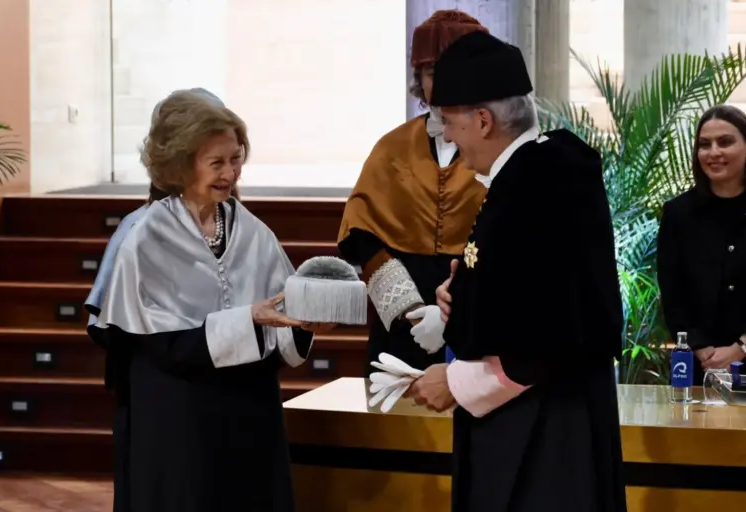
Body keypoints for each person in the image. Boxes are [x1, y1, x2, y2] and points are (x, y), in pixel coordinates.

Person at [405, 31, 627, 511]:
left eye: (447, 121)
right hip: (546, 415)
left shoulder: (534, 186)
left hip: (542, 427)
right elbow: (531, 293)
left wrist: (456, 381)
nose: (445, 135)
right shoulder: (541, 168)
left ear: (482, 120)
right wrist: (463, 297)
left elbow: (553, 334)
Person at [93, 90, 333, 512]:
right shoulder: (145, 237)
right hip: (180, 420)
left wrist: (304, 325)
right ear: (182, 163)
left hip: (248, 415)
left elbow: (278, 322)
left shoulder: (254, 231)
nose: (230, 173)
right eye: (216, 163)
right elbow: (160, 344)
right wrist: (247, 320)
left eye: (236, 158)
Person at [84, 88, 231, 512]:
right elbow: (112, 330)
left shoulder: (242, 227)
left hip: (229, 408)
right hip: (165, 410)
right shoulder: (138, 230)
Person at [337, 10, 488, 375]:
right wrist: (411, 312)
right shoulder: (391, 148)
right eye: (434, 72)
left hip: (479, 327)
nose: (445, 82)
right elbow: (361, 236)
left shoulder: (497, 150)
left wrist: (454, 311)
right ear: (419, 78)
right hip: (401, 332)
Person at [658, 104, 746, 382]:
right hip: (697, 365)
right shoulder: (677, 214)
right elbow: (672, 292)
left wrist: (742, 347)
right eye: (704, 145)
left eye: (725, 142)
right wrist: (703, 349)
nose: (713, 152)